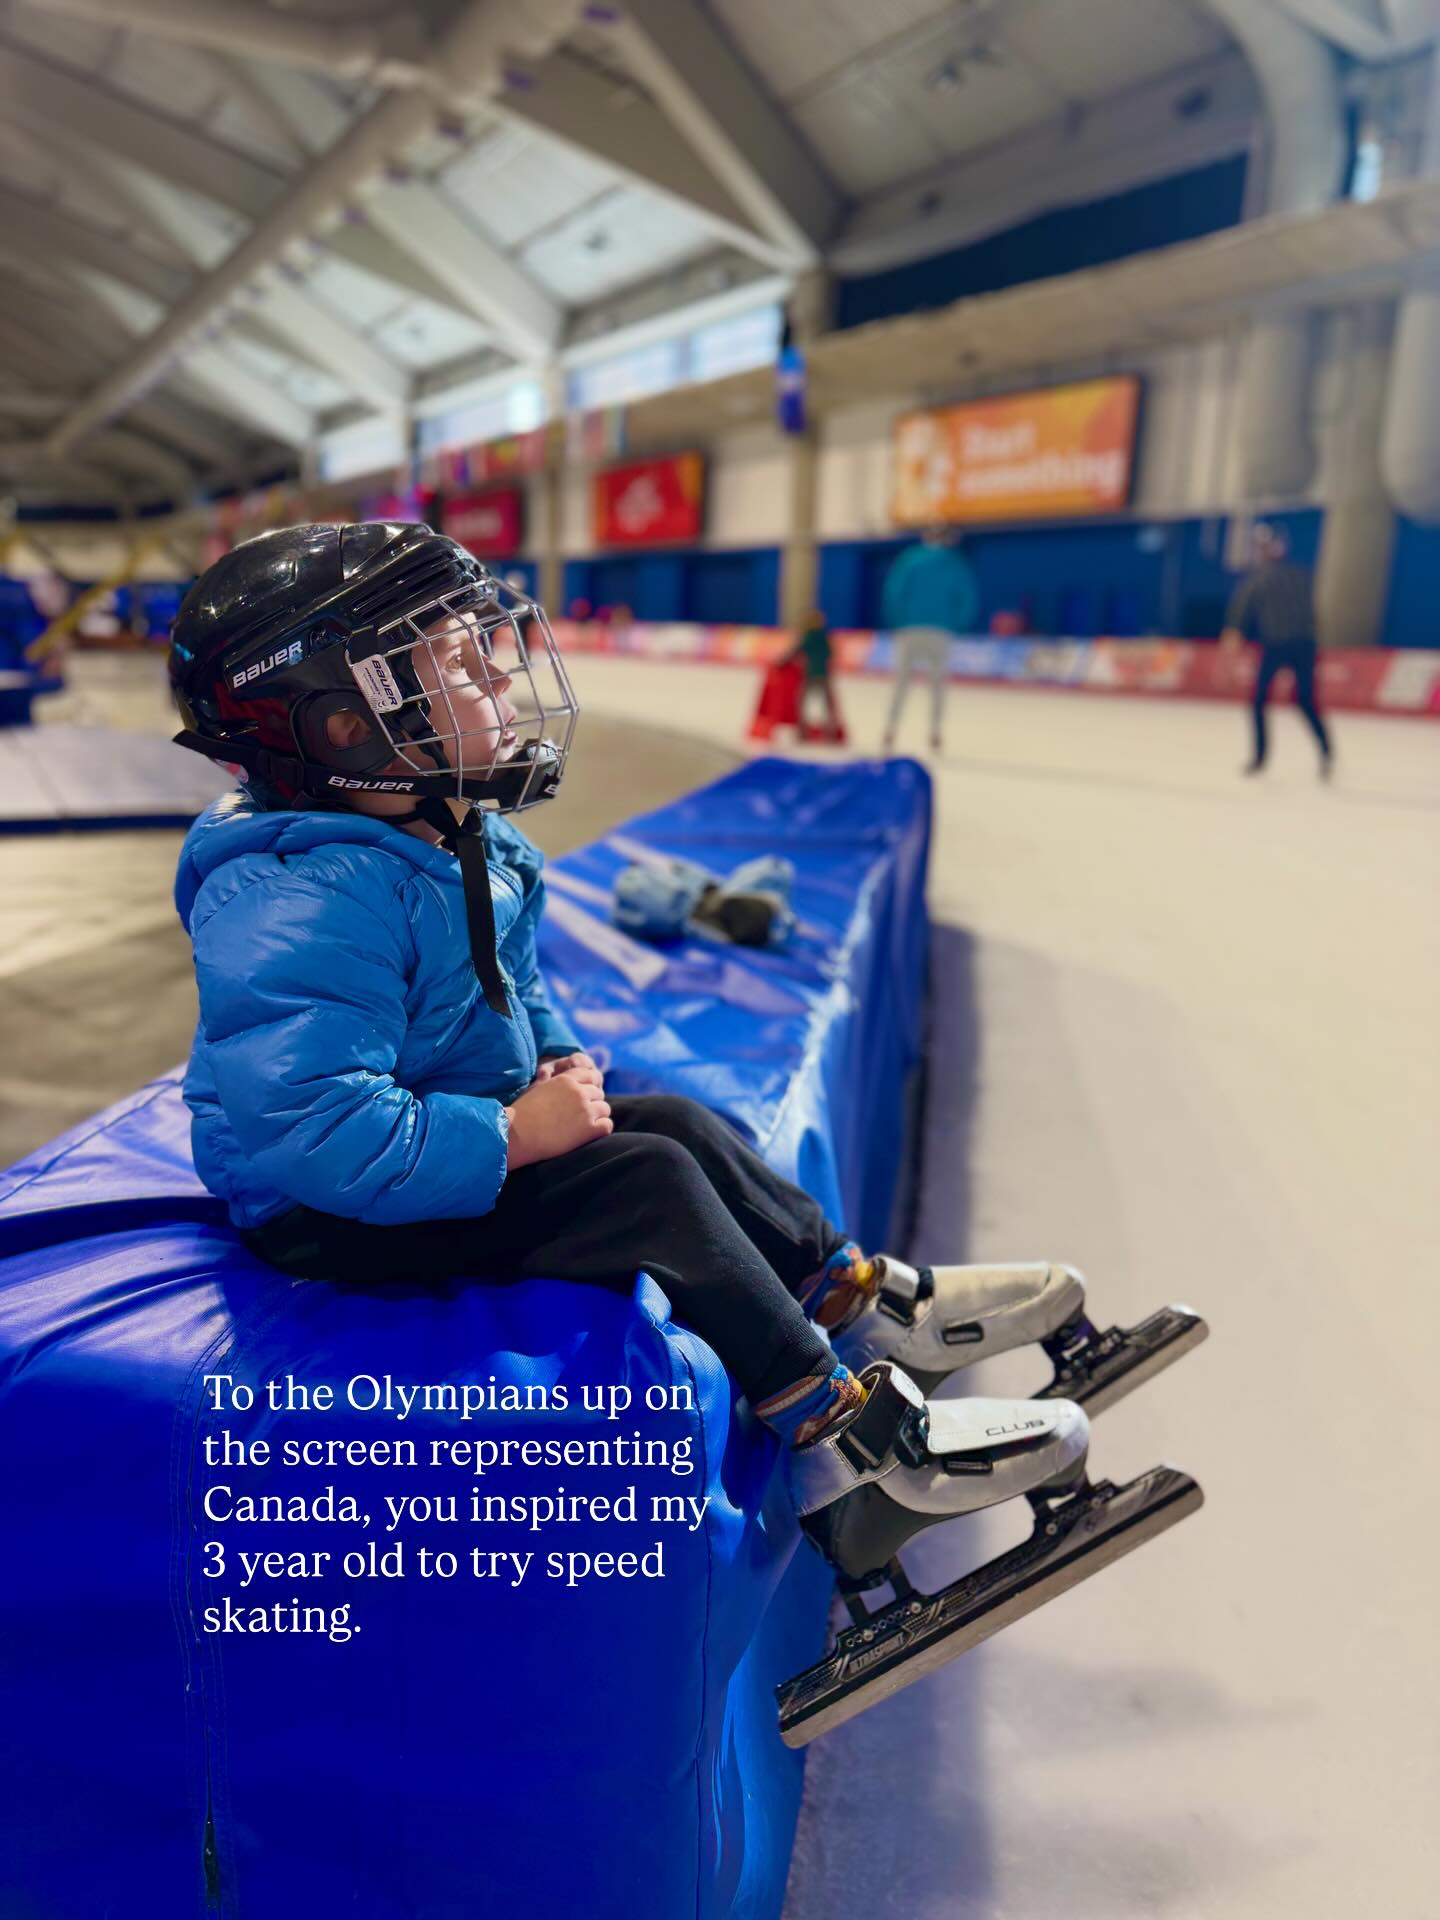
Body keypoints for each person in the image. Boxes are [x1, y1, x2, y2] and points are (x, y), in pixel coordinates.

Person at [166, 522, 1198, 1720]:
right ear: (339, 724)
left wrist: (550, 1067)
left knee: (678, 1128)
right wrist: (514, 1138)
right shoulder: (304, 889)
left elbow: (511, 991)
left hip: (429, 1128)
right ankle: (855, 1468)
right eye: (449, 661)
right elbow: (312, 1129)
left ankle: (859, 1296)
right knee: (642, 1184)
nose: (501, 672)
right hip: (333, 1206)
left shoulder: (447, 828)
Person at [1221, 522, 1333, 778]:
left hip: (1302, 645)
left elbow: (1240, 616)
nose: (1264, 550)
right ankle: (1260, 757)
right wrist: (1232, 639)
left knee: (1304, 701)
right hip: (1275, 646)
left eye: (1267, 545)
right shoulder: (1258, 580)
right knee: (1259, 700)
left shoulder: (1298, 576)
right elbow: (1240, 614)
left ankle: (1326, 753)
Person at [880, 524, 979, 753]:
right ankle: (935, 732)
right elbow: (966, 597)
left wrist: (897, 620)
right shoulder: (956, 563)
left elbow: (894, 590)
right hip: (940, 631)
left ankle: (890, 729)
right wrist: (957, 625)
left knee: (901, 682)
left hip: (909, 629)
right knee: (937, 684)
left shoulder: (910, 560)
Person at [781, 607, 843, 740]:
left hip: (810, 674)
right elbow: (831, 653)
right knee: (827, 705)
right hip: (824, 674)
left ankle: (803, 733)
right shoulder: (824, 636)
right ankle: (830, 733)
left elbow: (796, 651)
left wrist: (782, 662)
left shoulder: (809, 636)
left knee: (801, 702)